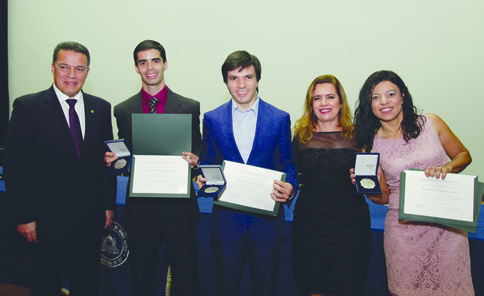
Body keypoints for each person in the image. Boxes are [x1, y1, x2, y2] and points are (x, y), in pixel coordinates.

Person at [3, 41, 117, 296]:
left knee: (87, 282)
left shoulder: (100, 108)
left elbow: (105, 162)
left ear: (88, 72)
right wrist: (24, 216)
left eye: (79, 69)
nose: (72, 75)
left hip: (89, 218)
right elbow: (14, 168)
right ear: (52, 68)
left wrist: (108, 204)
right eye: (64, 67)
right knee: (46, 283)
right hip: (45, 220)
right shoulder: (28, 107)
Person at [352, 70, 474, 295]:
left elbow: (464, 155)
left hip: (446, 226)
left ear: (403, 96)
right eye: (375, 97)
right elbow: (384, 198)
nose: (384, 101)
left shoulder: (431, 122)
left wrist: (447, 168)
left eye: (390, 94)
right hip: (403, 230)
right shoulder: (370, 145)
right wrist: (368, 189)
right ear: (369, 104)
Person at [105, 40, 202, 296]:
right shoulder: (123, 111)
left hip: (179, 208)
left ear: (165, 64)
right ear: (136, 68)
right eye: (143, 62)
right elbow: (125, 157)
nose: (150, 67)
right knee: (141, 277)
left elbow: (198, 148)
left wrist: (196, 160)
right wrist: (114, 161)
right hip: (141, 211)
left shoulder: (189, 107)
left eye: (155, 60)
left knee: (186, 277)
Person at [197, 50, 297, 296]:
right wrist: (202, 176)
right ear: (226, 82)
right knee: (226, 289)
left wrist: (291, 186)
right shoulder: (211, 118)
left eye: (248, 77)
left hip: (267, 225)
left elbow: (289, 165)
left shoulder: (279, 118)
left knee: (265, 289)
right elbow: (208, 162)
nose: (241, 85)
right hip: (227, 225)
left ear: (258, 80)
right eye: (233, 78)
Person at [291, 75, 371, 296]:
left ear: (340, 101)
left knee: (349, 286)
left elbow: (371, 180)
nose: (324, 103)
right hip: (310, 225)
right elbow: (292, 176)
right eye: (317, 98)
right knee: (313, 285)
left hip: (351, 227)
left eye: (330, 97)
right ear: (311, 104)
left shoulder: (358, 136)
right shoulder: (301, 137)